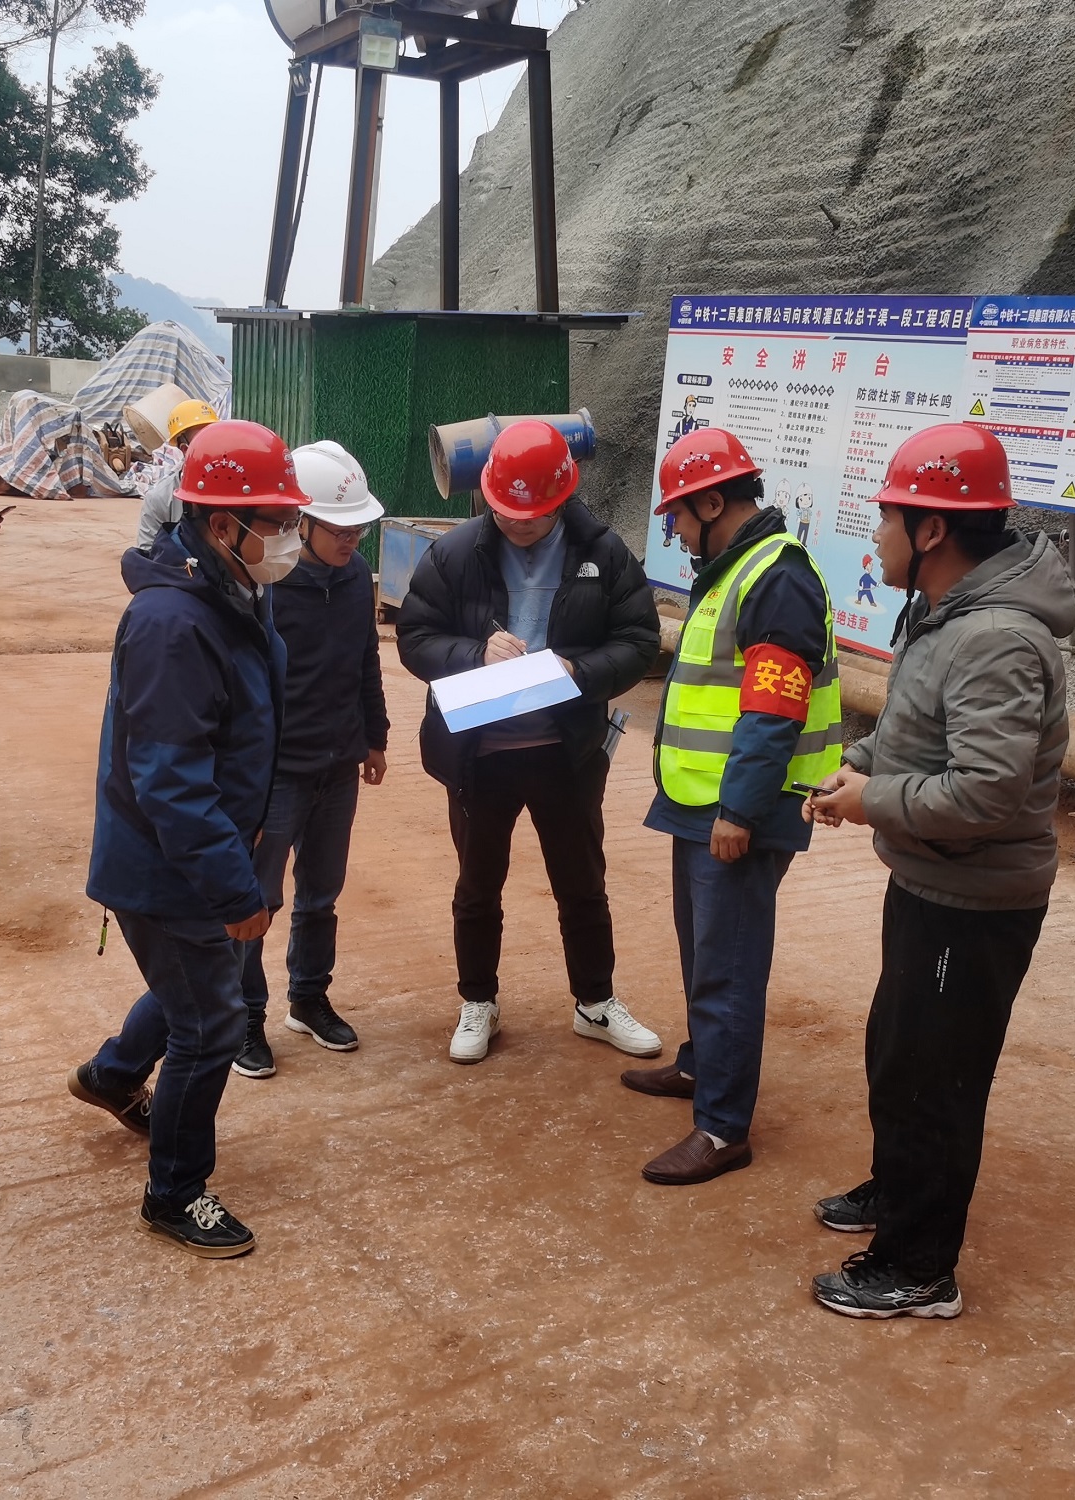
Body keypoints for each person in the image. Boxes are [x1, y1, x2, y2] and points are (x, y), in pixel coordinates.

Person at [804, 421, 1075, 1320]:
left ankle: (919, 1269)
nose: (875, 534)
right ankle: (899, 1189)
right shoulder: (944, 613)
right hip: (929, 880)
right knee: (898, 1053)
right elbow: (916, 729)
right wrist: (861, 767)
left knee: (937, 1083)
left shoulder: (995, 638)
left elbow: (986, 794)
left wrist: (871, 802)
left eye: (886, 517)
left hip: (974, 900)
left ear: (931, 531)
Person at [67, 419, 308, 1258]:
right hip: (169, 866)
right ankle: (174, 1193)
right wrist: (236, 891)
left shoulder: (235, 592)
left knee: (195, 992)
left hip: (202, 854)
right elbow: (171, 784)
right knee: (211, 1024)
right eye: (280, 521)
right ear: (223, 525)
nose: (291, 537)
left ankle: (111, 1076)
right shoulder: (174, 622)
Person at [396, 419, 662, 1065]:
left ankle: (595, 1002)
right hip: (480, 755)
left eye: (533, 514)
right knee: (477, 886)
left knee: (582, 883)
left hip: (565, 753)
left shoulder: (603, 552)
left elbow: (638, 640)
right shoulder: (455, 554)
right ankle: (478, 1001)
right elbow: (415, 638)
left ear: (563, 498)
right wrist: (474, 654)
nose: (518, 523)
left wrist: (579, 671)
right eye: (506, 511)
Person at [628, 429, 842, 1184]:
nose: (676, 532)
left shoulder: (776, 577)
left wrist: (742, 812)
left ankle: (722, 1128)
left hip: (739, 809)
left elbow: (773, 710)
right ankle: (700, 1065)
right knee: (702, 951)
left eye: (679, 517)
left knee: (729, 965)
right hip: (701, 798)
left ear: (714, 503)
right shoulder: (736, 569)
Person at [234, 440, 391, 1079]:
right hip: (278, 774)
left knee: (321, 894)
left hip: (338, 763)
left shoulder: (354, 577)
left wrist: (375, 736)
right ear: (301, 523)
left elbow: (365, 659)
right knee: (256, 902)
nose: (352, 541)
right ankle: (244, 1016)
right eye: (340, 530)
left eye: (358, 530)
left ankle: (308, 997)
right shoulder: (266, 584)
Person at [134, 399, 220, 548]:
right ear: (185, 449)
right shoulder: (160, 499)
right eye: (204, 441)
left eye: (216, 438)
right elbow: (147, 555)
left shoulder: (238, 488)